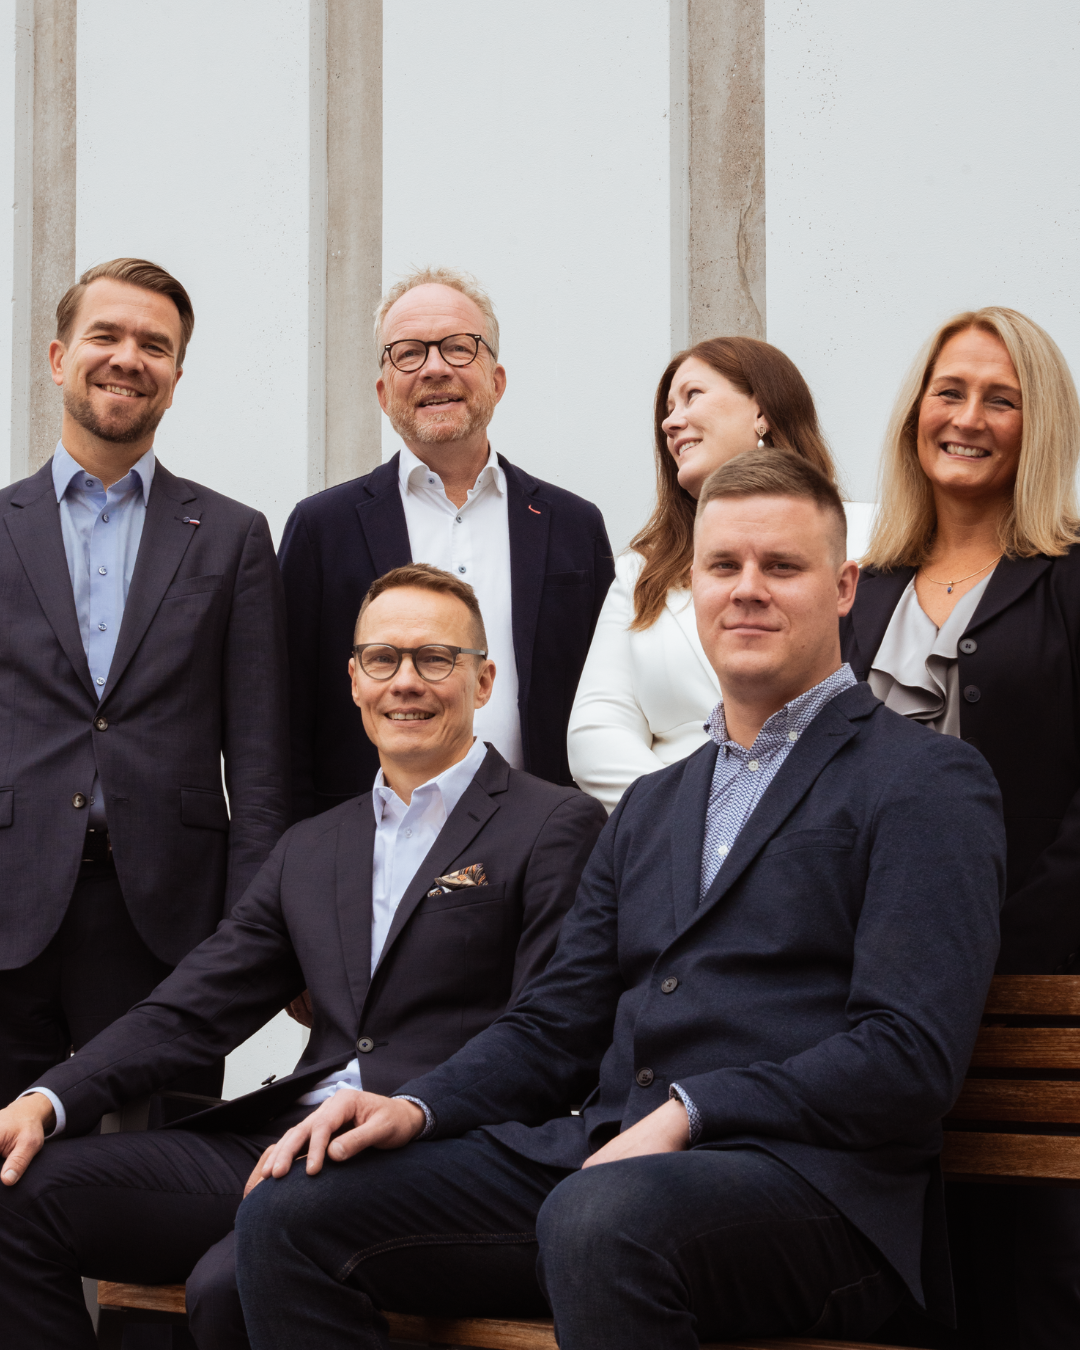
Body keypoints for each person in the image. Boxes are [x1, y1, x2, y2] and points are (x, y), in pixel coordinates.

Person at [232, 450, 1005, 1350]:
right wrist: (419, 1107)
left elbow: (906, 1055)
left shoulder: (926, 782)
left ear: (843, 588)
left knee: (601, 1218)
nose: (746, 589)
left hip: (814, 1194)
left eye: (780, 567)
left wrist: (694, 1109)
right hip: (610, 1166)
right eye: (723, 566)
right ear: (694, 591)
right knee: (296, 1210)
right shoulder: (653, 802)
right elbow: (556, 1024)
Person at [0, 564, 607, 1350]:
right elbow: (190, 1010)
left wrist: (414, 1111)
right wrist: (45, 1101)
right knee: (17, 1192)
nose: (407, 683)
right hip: (285, 1143)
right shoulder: (312, 847)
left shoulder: (555, 824)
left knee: (232, 1285)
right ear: (354, 681)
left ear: (484, 680)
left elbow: (553, 1034)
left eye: (436, 659)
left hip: (439, 1156)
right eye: (384, 660)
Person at [840, 306, 1080, 1350]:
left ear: (1041, 426)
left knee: (1028, 1274)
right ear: (915, 412)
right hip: (854, 1001)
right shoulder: (861, 588)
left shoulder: (1071, 579)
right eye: (950, 391)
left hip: (1032, 991)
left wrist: (981, 939)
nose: (968, 418)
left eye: (1000, 397)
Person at [0, 257, 289, 1106]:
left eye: (154, 346)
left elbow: (263, 764)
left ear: (175, 378)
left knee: (153, 1183)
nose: (130, 357)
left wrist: (248, 940)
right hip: (10, 909)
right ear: (59, 358)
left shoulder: (232, 537)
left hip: (169, 927)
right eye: (108, 335)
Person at [279, 267, 615, 818]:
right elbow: (284, 719)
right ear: (384, 393)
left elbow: (606, 695)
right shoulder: (322, 528)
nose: (435, 368)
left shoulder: (573, 524)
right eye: (408, 353)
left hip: (542, 848)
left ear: (497, 380)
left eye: (459, 348)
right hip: (371, 847)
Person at [568, 336, 838, 810]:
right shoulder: (641, 573)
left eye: (692, 396)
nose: (671, 422)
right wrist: (701, 816)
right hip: (680, 844)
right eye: (668, 410)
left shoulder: (867, 539)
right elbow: (597, 732)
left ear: (762, 411)